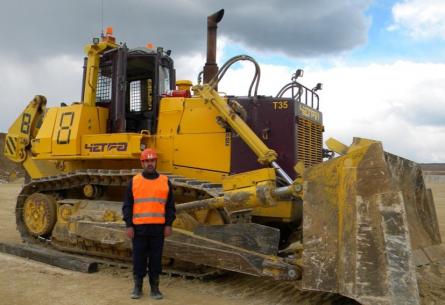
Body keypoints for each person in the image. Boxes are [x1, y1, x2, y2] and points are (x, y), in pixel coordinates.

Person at [122, 148, 176, 300]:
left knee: (155, 259)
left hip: (158, 229)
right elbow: (127, 205)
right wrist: (129, 225)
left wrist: (168, 224)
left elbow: (170, 206)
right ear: (142, 162)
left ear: (156, 161)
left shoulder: (165, 182)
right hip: (139, 229)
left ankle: (155, 288)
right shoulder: (134, 182)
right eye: (146, 161)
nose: (149, 163)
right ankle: (137, 287)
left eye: (152, 160)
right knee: (138, 259)